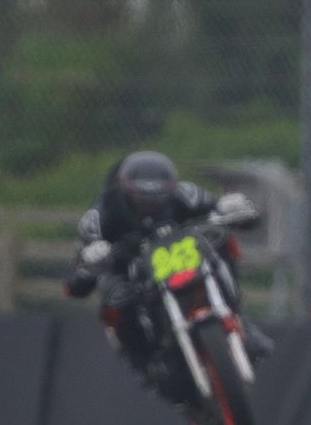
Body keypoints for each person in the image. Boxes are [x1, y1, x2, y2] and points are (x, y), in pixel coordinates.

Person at [63, 150, 265, 407]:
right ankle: (146, 363)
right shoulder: (101, 214)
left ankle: (237, 315)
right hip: (131, 269)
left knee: (220, 240)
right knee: (116, 298)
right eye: (142, 195)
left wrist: (234, 209)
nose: (151, 200)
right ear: (125, 189)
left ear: (171, 186)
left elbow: (223, 208)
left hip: (181, 257)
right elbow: (75, 277)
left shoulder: (186, 194)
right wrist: (91, 263)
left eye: (158, 194)